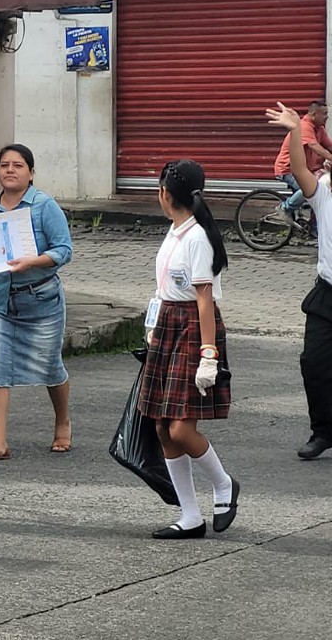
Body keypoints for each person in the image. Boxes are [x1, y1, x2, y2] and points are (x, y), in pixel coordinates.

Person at [138, 159, 238, 539]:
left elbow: (204, 300)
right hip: (167, 325)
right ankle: (190, 516)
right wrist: (153, 328)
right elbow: (165, 289)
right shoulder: (176, 230)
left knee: (180, 428)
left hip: (193, 329)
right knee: (163, 426)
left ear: (165, 193)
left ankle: (224, 484)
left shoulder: (197, 236)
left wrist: (208, 354)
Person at [0, 144, 73, 461]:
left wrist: (33, 262)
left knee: (50, 368)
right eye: (4, 165)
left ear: (31, 173)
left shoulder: (43, 206)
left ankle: (62, 422)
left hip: (41, 301)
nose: (10, 170)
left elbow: (64, 251)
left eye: (18, 165)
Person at [267, 102, 332, 460]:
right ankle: (323, 432)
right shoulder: (324, 195)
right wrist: (294, 132)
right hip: (327, 293)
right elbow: (298, 168)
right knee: (314, 363)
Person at [272, 100, 331, 224]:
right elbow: (315, 146)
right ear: (314, 114)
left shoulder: (319, 128)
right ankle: (285, 208)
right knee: (312, 189)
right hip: (287, 169)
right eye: (324, 114)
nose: (327, 117)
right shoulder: (304, 126)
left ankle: (314, 229)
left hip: (305, 169)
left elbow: (329, 145)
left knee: (320, 195)